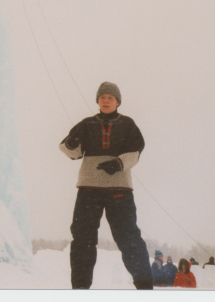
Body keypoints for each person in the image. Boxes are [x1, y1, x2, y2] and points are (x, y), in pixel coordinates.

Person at [59, 82, 153, 290]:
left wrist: (118, 163)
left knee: (128, 237)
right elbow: (71, 152)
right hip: (88, 188)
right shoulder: (86, 124)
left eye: (110, 97)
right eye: (102, 97)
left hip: (119, 189)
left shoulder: (128, 124)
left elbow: (137, 152)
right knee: (82, 239)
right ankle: (80, 288)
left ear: (118, 101)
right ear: (97, 101)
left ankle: (145, 287)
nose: (106, 101)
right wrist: (71, 143)